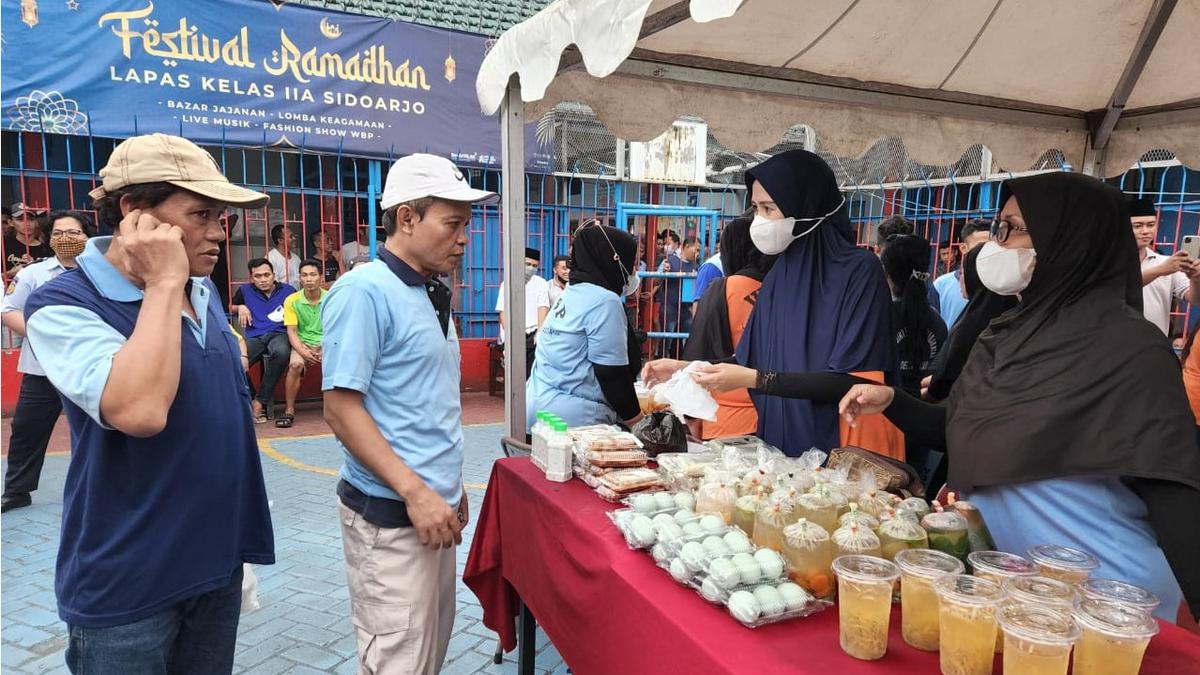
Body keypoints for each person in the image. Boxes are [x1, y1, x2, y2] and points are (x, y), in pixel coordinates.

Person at [837, 172, 1200, 625]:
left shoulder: (1130, 350)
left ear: (1069, 242)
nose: (998, 243)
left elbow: (1173, 487)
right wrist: (893, 400)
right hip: (1009, 586)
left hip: (1102, 602)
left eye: (1014, 229)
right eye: (999, 227)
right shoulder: (1007, 334)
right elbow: (960, 428)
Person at [22, 133, 274, 670]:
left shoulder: (200, 288)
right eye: (201, 214)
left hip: (216, 564)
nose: (218, 232)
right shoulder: (63, 304)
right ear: (135, 211)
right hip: (129, 586)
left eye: (222, 217)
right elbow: (139, 412)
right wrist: (162, 283)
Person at [322, 153, 494, 674]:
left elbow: (421, 403)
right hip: (392, 517)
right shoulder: (364, 291)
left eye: (466, 225)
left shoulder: (427, 291)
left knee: (425, 657)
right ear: (406, 218)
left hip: (432, 513)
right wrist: (417, 492)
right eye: (452, 224)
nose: (463, 239)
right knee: (398, 661)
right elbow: (340, 409)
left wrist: (449, 485)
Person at [0, 211, 95, 512]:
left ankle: (97, 488)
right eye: (58, 233)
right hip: (42, 369)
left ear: (87, 236)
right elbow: (9, 310)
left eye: (73, 233)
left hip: (90, 367)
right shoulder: (33, 274)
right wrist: (44, 335)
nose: (65, 239)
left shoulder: (102, 273)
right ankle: (17, 490)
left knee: (97, 431)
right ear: (48, 238)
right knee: (27, 429)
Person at [527, 223, 644, 431]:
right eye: (630, 262)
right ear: (613, 259)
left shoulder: (571, 292)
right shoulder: (605, 301)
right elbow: (612, 374)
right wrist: (638, 422)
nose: (633, 271)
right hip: (575, 423)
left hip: (538, 411)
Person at [678, 216, 774, 439]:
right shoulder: (785, 288)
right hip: (781, 416)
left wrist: (690, 416)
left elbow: (698, 356)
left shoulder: (723, 289)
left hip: (727, 419)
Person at [923, 244, 1019, 401]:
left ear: (976, 277)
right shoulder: (1014, 312)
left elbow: (947, 379)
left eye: (963, 273)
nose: (960, 280)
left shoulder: (972, 326)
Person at [881, 235, 947, 396]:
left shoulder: (879, 319)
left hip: (882, 402)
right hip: (922, 404)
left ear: (887, 274)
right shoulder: (937, 321)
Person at [232, 258, 295, 422]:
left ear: (274, 275)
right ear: (252, 278)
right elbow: (230, 306)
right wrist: (240, 307)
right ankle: (252, 397)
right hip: (255, 336)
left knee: (281, 352)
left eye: (267, 275)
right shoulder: (245, 290)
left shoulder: (288, 290)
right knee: (234, 360)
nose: (263, 279)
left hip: (279, 333)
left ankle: (260, 401)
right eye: (258, 276)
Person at [1132, 197, 1200, 336]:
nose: (1145, 231)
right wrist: (1160, 270)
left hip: (1153, 344)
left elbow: (1195, 300)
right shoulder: (1108, 262)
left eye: (1151, 225)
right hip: (1113, 344)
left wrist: (1196, 279)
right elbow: (1118, 287)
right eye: (1137, 226)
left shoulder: (1167, 262)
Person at [277, 259, 326, 428]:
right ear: (299, 278)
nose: (309, 279)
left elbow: (336, 328)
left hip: (327, 343)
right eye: (304, 275)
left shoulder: (331, 298)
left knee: (337, 367)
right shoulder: (291, 300)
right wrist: (302, 351)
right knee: (295, 366)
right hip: (302, 343)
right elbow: (292, 331)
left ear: (321, 277)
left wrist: (323, 346)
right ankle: (289, 410)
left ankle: (335, 408)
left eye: (313, 275)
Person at [496, 247, 551, 378]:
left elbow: (543, 307)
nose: (531, 268)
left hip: (533, 334)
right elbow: (503, 311)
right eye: (528, 264)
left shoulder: (541, 283)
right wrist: (510, 334)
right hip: (513, 333)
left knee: (533, 373)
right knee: (515, 374)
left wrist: (540, 332)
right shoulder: (507, 283)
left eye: (535, 266)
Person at [932, 218, 991, 327]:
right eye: (979, 247)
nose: (987, 251)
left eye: (991, 246)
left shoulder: (1004, 286)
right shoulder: (940, 285)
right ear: (963, 248)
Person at [659, 236, 700, 358]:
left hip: (686, 309)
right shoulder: (669, 261)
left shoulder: (696, 266)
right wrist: (663, 272)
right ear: (686, 246)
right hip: (669, 307)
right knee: (667, 340)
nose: (697, 253)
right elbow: (655, 281)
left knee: (686, 340)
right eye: (696, 249)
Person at [4, 202, 52, 278]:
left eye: (31, 219)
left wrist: (34, 268)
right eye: (20, 219)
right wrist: (9, 274)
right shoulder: (4, 244)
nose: (27, 223)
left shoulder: (46, 248)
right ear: (10, 222)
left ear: (36, 222)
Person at [692, 237, 725, 302]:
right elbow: (698, 300)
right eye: (716, 248)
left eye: (719, 248)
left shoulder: (701, 264)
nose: (718, 251)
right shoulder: (710, 266)